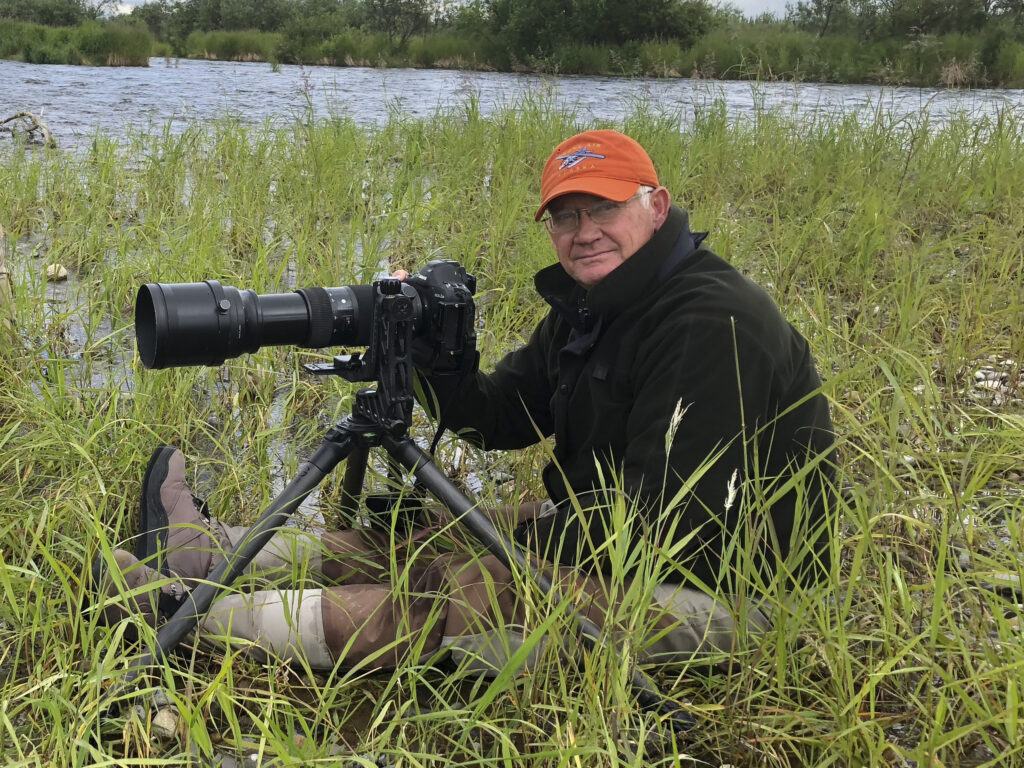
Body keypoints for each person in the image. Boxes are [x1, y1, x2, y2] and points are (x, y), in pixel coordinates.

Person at [95, 129, 835, 675]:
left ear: (656, 205)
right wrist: (436, 358)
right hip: (622, 533)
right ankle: (204, 553)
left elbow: (665, 527)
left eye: (600, 210)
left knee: (470, 584)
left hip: (730, 593)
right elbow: (499, 417)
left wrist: (503, 544)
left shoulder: (710, 321)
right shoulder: (600, 302)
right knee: (430, 522)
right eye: (564, 217)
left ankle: (191, 618)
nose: (582, 234)